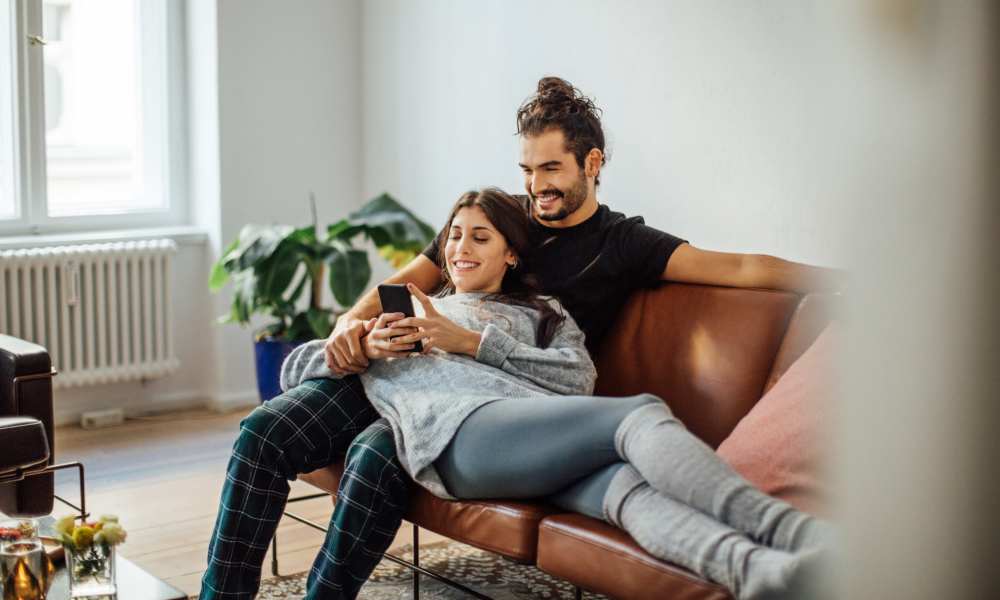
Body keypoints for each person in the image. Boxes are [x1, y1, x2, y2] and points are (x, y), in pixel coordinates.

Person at [201, 77, 838, 600]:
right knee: (266, 432)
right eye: (528, 169)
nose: (536, 188)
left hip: (501, 404)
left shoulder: (622, 245)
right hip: (408, 375)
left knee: (383, 457)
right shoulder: (497, 217)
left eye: (552, 169)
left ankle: (770, 567)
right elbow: (410, 279)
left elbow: (745, 269)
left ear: (593, 164)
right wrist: (350, 326)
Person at [283, 187, 831, 599]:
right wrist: (357, 342)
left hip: (536, 437)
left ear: (510, 255)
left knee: (628, 491)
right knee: (638, 414)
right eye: (454, 236)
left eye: (480, 236)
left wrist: (476, 343)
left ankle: (761, 574)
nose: (461, 248)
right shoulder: (408, 314)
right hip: (457, 435)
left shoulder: (546, 315)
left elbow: (577, 380)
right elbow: (302, 368)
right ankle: (796, 533)